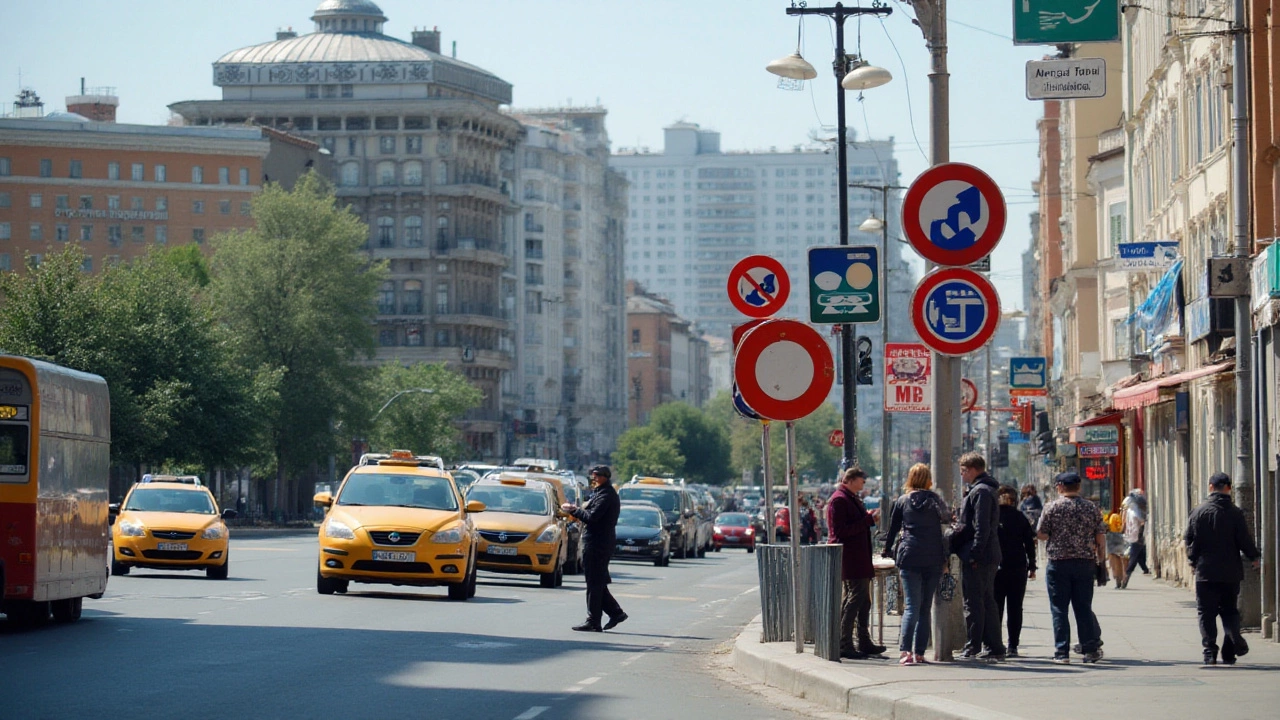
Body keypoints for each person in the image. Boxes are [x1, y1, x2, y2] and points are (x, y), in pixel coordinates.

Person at [1184, 472, 1261, 665]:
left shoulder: (1198, 511)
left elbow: (1190, 539)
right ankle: (1230, 647)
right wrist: (1254, 557)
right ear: (1228, 488)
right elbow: (1244, 540)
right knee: (1230, 610)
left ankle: (1210, 652)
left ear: (1211, 487)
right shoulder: (1236, 513)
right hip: (1230, 571)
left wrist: (1192, 560)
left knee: (1206, 612)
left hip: (1205, 572)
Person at [881, 463, 952, 666]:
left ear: (910, 479)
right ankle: (920, 652)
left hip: (909, 555)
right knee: (925, 607)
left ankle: (905, 652)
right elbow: (947, 518)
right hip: (933, 557)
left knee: (911, 606)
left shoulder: (902, 501)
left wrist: (887, 549)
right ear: (929, 479)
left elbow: (893, 529)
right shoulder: (935, 500)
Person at [1036, 471, 1106, 664]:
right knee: (1083, 607)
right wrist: (1101, 560)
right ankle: (1090, 650)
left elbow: (1041, 533)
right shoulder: (1091, 508)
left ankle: (1062, 652)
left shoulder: (1052, 507)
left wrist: (1056, 535)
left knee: (1059, 609)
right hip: (1085, 562)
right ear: (1079, 486)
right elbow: (1100, 536)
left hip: (1058, 563)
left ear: (1059, 487)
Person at [827, 467, 885, 659]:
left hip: (859, 557)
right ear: (850, 480)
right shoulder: (839, 499)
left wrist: (867, 518)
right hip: (850, 558)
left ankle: (863, 641)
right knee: (855, 598)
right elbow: (840, 532)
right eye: (861, 481)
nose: (863, 485)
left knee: (864, 601)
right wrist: (867, 520)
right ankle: (844, 642)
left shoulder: (850, 498)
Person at [561, 465, 626, 632]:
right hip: (596, 541)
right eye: (592, 475)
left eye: (596, 475)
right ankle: (614, 613)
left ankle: (594, 620)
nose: (593, 478)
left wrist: (575, 510)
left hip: (599, 543)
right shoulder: (599, 493)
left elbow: (592, 517)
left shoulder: (607, 495)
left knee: (595, 582)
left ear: (605, 477)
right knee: (596, 581)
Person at [955, 452, 1004, 661]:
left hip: (981, 555)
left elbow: (980, 526)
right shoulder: (984, 489)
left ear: (974, 469)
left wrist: (974, 553)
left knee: (975, 602)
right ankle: (993, 646)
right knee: (985, 601)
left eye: (964, 471)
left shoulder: (981, 492)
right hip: (987, 553)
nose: (962, 475)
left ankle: (974, 644)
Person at [995, 484, 1036, 657]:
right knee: (1015, 608)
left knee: (996, 607)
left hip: (996, 567)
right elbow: (1029, 543)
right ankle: (1013, 645)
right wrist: (1032, 566)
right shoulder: (1020, 517)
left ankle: (995, 643)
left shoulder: (992, 517)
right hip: (1018, 566)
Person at [1122, 489, 1149, 582]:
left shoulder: (1129, 509)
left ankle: (1145, 569)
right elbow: (1139, 519)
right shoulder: (1134, 510)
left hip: (1133, 535)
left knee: (1139, 553)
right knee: (1134, 555)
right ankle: (1127, 573)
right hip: (1136, 535)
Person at [1104, 512, 1128, 589]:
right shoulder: (1120, 520)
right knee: (1122, 560)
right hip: (1120, 537)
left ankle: (1118, 580)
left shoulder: (1107, 520)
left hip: (1111, 538)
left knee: (1114, 561)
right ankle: (1123, 579)